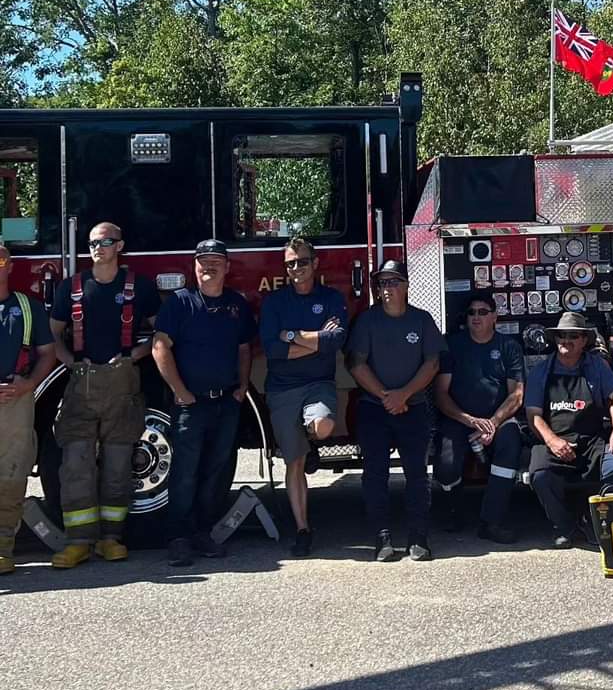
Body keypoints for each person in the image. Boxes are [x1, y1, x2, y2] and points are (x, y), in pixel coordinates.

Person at [48, 221, 160, 568]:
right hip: (81, 384)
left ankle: (111, 539)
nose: (98, 248)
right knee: (76, 464)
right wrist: (69, 363)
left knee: (117, 466)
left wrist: (133, 357)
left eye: (106, 241)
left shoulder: (139, 288)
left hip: (122, 386)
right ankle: (78, 541)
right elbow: (52, 335)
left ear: (120, 246)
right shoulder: (73, 288)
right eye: (94, 242)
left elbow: (161, 333)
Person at [152, 239, 255, 567]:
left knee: (217, 471)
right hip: (191, 406)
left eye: (215, 261)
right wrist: (180, 391)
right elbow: (159, 347)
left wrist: (241, 386)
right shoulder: (179, 304)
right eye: (202, 261)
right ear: (193, 266)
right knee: (185, 472)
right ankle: (178, 538)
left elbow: (244, 348)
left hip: (226, 403)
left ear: (227, 267)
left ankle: (202, 532)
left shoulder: (237, 305)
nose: (207, 267)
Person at [347, 259, 444, 563]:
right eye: (382, 283)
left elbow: (433, 364)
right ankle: (382, 538)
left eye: (392, 282)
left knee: (417, 475)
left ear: (406, 286)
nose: (386, 289)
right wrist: (385, 396)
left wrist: (404, 395)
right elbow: (356, 363)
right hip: (374, 409)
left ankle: (418, 537)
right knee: (375, 475)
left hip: (413, 408)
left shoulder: (422, 320)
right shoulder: (367, 321)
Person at [259, 238, 348, 558]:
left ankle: (312, 441)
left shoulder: (331, 297)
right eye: (291, 263)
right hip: (281, 389)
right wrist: (315, 340)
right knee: (293, 462)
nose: (297, 268)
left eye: (303, 261)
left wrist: (293, 336)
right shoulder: (274, 303)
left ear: (316, 263)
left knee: (323, 426)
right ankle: (302, 529)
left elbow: (336, 340)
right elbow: (272, 350)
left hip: (318, 384)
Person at [525, 312, 613, 548]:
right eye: (561, 336)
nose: (566, 340)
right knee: (539, 475)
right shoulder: (540, 372)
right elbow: (533, 415)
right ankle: (565, 527)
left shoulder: (596, 367)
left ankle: (596, 522)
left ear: (584, 340)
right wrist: (553, 442)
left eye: (573, 336)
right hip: (553, 440)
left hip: (592, 439)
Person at [434, 292, 525, 544]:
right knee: (446, 466)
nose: (476, 317)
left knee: (510, 443)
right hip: (459, 418)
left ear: (495, 317)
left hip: (498, 419)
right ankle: (455, 510)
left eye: (483, 312)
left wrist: (493, 423)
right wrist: (469, 420)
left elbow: (516, 395)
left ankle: (491, 521)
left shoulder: (509, 346)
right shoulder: (452, 345)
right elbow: (441, 394)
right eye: (472, 312)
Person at [0, 244, 56, 574]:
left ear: (9, 266)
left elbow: (47, 353)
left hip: (16, 399)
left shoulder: (29, 308)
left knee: (11, 475)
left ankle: (3, 548)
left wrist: (29, 384)